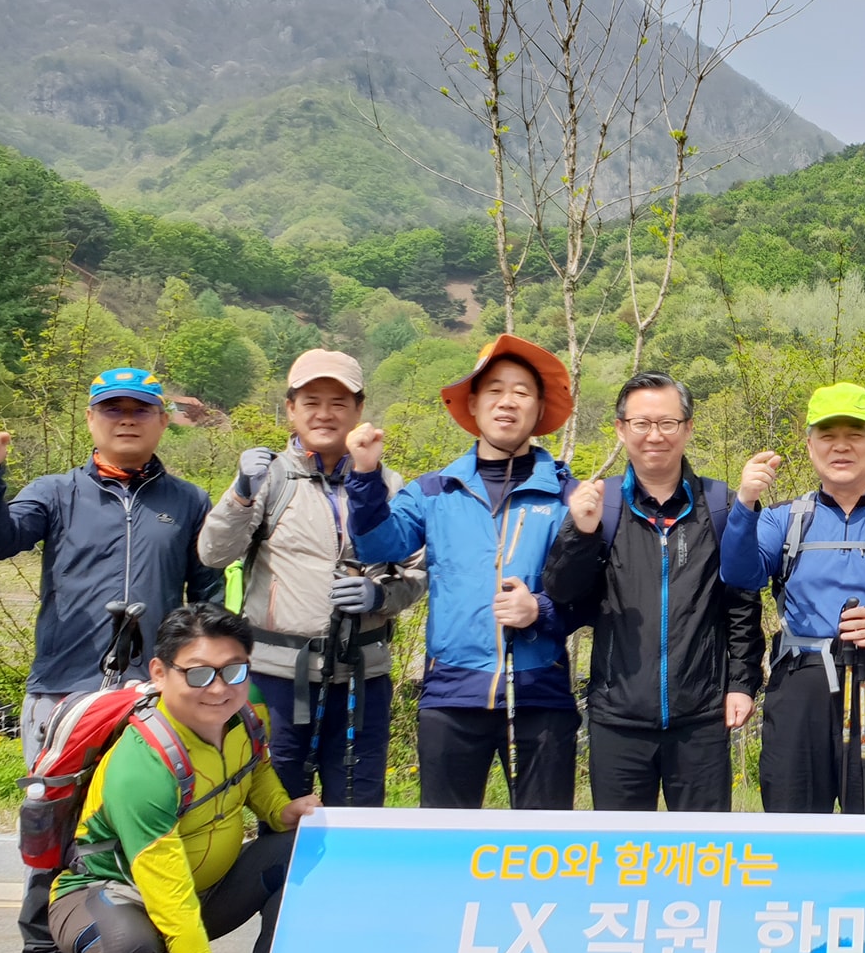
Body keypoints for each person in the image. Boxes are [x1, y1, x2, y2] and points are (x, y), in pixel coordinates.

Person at [0, 366, 225, 953]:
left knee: (142, 831)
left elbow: (208, 596)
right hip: (64, 690)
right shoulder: (56, 492)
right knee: (51, 831)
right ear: (91, 419)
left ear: (162, 420)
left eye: (141, 408)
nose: (126, 419)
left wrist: (205, 679)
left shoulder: (188, 501)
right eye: (112, 408)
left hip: (150, 698)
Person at [45, 603, 317, 953]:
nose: (219, 688)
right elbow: (172, 902)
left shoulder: (247, 711)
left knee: (308, 849)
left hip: (207, 889)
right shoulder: (142, 765)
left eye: (233, 670)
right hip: (116, 894)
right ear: (159, 672)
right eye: (198, 674)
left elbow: (255, 769)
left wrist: (280, 809)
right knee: (123, 952)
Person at [347, 334, 582, 809]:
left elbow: (592, 596)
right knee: (446, 838)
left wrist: (539, 610)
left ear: (539, 409)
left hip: (540, 694)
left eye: (522, 392)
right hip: (451, 694)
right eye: (494, 390)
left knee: (543, 842)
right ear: (473, 404)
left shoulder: (568, 497)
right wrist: (366, 476)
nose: (507, 402)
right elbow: (377, 544)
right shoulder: (434, 491)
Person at [196, 350, 426, 807]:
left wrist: (380, 596)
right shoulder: (268, 478)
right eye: (311, 402)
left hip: (363, 675)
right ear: (290, 409)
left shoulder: (389, 485)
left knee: (358, 804)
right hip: (277, 676)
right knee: (279, 804)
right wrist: (240, 495)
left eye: (338, 403)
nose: (324, 414)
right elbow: (214, 553)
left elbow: (418, 571)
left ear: (359, 410)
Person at [719, 383, 865, 814]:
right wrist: (745, 503)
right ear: (810, 446)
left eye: (855, 435)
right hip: (799, 689)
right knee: (792, 822)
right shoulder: (783, 519)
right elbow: (739, 574)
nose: (841, 446)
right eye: (827, 436)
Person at [542, 372, 764, 810]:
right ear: (621, 428)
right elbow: (563, 593)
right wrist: (579, 534)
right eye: (641, 423)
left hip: (701, 718)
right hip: (617, 717)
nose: (655, 435)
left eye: (667, 423)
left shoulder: (719, 505)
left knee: (703, 847)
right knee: (621, 847)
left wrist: (741, 683)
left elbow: (741, 603)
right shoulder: (601, 504)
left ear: (688, 427)